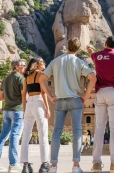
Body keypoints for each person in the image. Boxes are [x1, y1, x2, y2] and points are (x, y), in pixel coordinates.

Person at [39, 37, 97, 173]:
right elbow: (93, 78)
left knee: (56, 132)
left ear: (67, 46)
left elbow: (42, 78)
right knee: (77, 132)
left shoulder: (56, 61)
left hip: (59, 100)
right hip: (76, 99)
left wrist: (50, 96)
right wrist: (86, 95)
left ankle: (53, 166)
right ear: (78, 49)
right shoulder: (79, 62)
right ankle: (76, 166)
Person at [86, 36, 114, 173]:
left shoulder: (97, 56)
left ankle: (96, 164)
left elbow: (91, 53)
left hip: (100, 93)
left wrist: (89, 49)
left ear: (105, 44)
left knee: (99, 128)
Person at [0, 59, 26, 172]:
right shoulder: (21, 79)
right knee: (15, 136)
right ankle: (13, 164)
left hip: (6, 111)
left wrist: (10, 98)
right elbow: (25, 97)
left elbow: (0, 98)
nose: (25, 67)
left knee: (2, 136)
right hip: (17, 110)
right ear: (16, 67)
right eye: (23, 65)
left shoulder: (5, 79)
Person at [20, 57, 51, 173]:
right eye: (43, 62)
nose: (44, 64)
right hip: (38, 102)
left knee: (26, 135)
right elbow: (43, 93)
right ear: (38, 64)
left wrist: (24, 110)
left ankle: (25, 165)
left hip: (29, 105)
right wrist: (47, 108)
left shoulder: (26, 77)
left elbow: (23, 94)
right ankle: (44, 164)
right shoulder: (41, 75)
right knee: (43, 134)